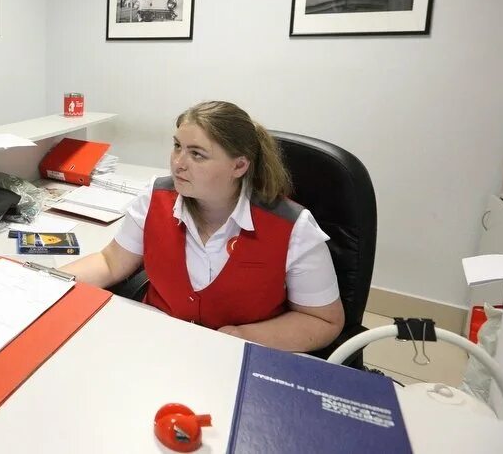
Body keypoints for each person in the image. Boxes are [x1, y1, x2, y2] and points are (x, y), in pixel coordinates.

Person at [62, 101, 344, 353]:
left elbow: (323, 319)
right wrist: (42, 281)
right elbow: (111, 263)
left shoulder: (293, 227)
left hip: (234, 357)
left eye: (197, 154)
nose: (178, 164)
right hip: (155, 343)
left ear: (239, 166)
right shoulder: (155, 197)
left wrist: (240, 336)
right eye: (177, 147)